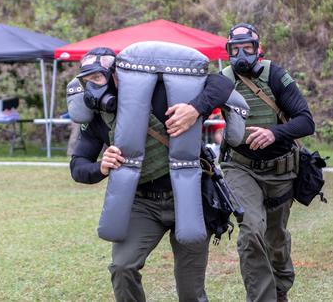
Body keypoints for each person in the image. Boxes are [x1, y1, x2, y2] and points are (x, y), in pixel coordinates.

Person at [69, 46, 234, 302]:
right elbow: (78, 165)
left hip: (188, 197)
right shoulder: (99, 118)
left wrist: (194, 109)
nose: (93, 87)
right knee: (122, 267)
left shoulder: (160, 91)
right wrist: (101, 166)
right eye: (87, 80)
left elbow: (222, 84)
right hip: (142, 202)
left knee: (190, 291)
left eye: (98, 77)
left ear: (116, 76)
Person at [169, 24, 315, 302]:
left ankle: (280, 288)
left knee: (276, 239)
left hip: (281, 170)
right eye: (234, 49)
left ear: (258, 49)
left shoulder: (275, 76)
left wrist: (274, 133)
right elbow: (199, 106)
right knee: (250, 232)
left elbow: (306, 121)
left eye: (247, 48)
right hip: (240, 167)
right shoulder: (222, 79)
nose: (241, 54)